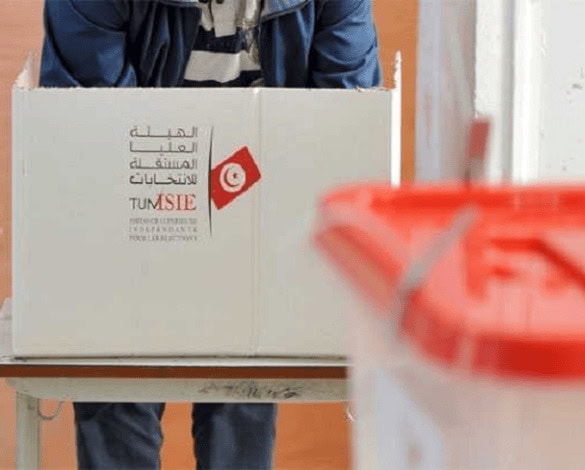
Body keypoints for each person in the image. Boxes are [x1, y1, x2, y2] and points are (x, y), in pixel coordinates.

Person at [39, 0, 381, 468]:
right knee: (115, 385)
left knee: (243, 393)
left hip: (259, 226)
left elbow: (341, 135)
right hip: (127, 225)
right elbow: (93, 139)